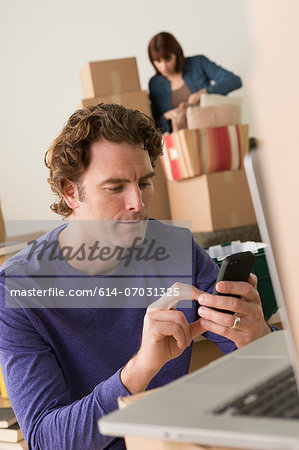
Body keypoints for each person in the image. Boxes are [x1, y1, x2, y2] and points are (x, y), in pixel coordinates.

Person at [0, 104, 275, 450]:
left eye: (145, 183)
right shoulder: (17, 290)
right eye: (115, 188)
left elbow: (266, 361)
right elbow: (45, 440)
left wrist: (259, 336)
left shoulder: (174, 247)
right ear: (71, 194)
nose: (138, 204)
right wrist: (139, 370)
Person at [148, 31, 242, 133]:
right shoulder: (154, 84)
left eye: (168, 59)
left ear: (177, 54)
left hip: (212, 129)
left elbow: (234, 80)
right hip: (182, 140)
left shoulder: (198, 63)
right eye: (158, 61)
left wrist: (203, 93)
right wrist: (166, 117)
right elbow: (154, 126)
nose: (164, 66)